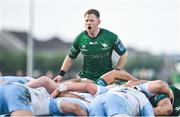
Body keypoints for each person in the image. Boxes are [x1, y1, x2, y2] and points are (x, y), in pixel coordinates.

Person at [54, 9, 128, 83]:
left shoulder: (111, 37)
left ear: (98, 22)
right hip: (86, 78)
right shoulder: (80, 38)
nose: (88, 23)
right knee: (61, 86)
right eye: (86, 21)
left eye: (91, 20)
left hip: (105, 78)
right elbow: (70, 57)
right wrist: (61, 75)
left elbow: (124, 54)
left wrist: (117, 71)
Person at [0, 78, 88, 116]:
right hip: (18, 92)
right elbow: (76, 107)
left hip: (15, 89)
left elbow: (76, 107)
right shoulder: (51, 103)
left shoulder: (51, 101)